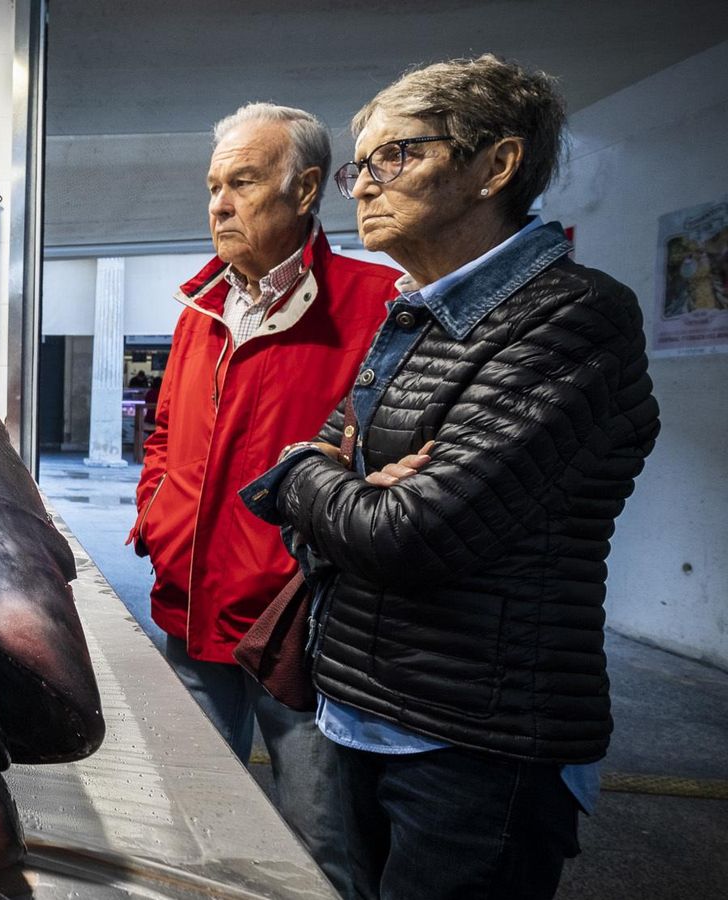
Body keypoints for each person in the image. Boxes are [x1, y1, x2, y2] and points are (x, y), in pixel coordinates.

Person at [242, 55, 660, 899]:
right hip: (362, 705)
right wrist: (328, 479)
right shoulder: (419, 316)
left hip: (477, 737)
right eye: (361, 165)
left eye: (396, 157)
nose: (361, 185)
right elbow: (301, 479)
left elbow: (412, 533)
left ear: (495, 167)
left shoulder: (574, 316)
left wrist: (314, 477)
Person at [128, 102, 398, 894]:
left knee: (320, 844)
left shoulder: (377, 304)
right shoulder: (201, 310)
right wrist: (158, 522)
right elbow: (165, 433)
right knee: (191, 830)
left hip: (302, 629)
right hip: (189, 606)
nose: (218, 203)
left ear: (306, 188)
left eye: (242, 182)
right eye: (214, 185)